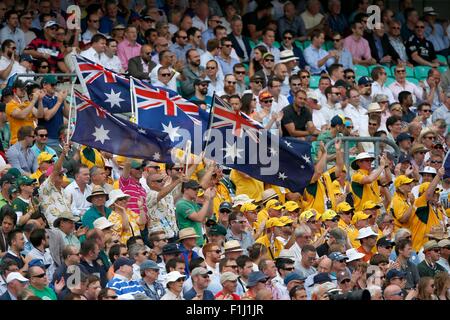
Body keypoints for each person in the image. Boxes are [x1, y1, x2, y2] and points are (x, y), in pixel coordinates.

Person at [175, 180, 215, 246]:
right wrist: (207, 200)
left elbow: (208, 215)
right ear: (185, 189)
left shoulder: (193, 203)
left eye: (198, 189)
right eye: (194, 189)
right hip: (188, 243)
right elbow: (199, 218)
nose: (197, 191)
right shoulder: (181, 204)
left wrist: (211, 199)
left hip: (198, 242)